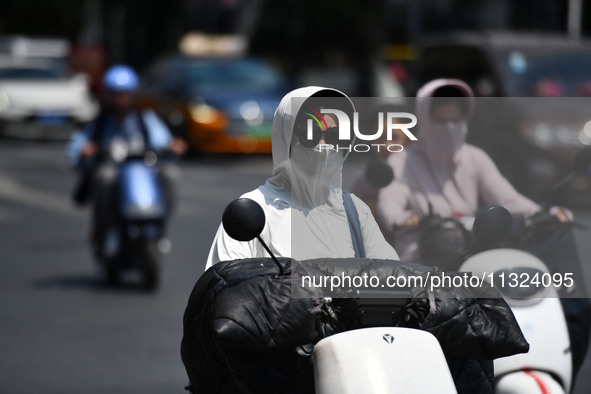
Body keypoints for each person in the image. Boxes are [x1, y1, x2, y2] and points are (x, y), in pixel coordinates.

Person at [377, 78, 571, 262]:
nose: (450, 128)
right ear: (424, 121)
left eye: (456, 121)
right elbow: (390, 201)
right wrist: (401, 218)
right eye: (441, 122)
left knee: (552, 238)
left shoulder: (474, 157)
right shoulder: (402, 160)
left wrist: (544, 214)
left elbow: (508, 199)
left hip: (470, 251)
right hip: (422, 260)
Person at [206, 86, 399, 268]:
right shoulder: (251, 211)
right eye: (311, 133)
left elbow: (393, 280)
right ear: (286, 138)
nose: (323, 146)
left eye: (334, 136)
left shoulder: (355, 212)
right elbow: (225, 291)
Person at [67, 64, 186, 250]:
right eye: (115, 94)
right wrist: (84, 151)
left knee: (171, 175)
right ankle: (104, 228)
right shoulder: (99, 122)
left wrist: (173, 146)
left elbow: (163, 141)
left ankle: (159, 227)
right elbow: (78, 146)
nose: (120, 100)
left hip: (143, 170)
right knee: (105, 177)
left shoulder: (143, 118)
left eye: (125, 94)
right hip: (113, 170)